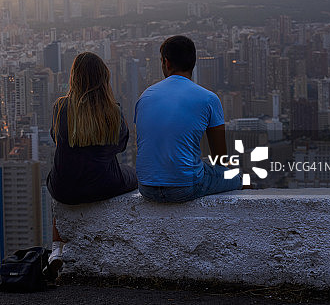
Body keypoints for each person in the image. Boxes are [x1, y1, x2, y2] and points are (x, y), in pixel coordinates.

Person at [46, 51, 138, 277]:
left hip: (63, 189)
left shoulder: (61, 107)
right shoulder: (113, 110)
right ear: (104, 79)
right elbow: (121, 145)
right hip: (102, 184)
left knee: (62, 173)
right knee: (135, 176)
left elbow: (55, 137)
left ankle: (56, 249)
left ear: (74, 78)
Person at [135, 35, 242, 203]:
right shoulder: (208, 98)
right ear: (193, 63)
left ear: (166, 63)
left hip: (146, 188)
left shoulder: (145, 96)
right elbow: (220, 159)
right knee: (236, 176)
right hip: (184, 188)